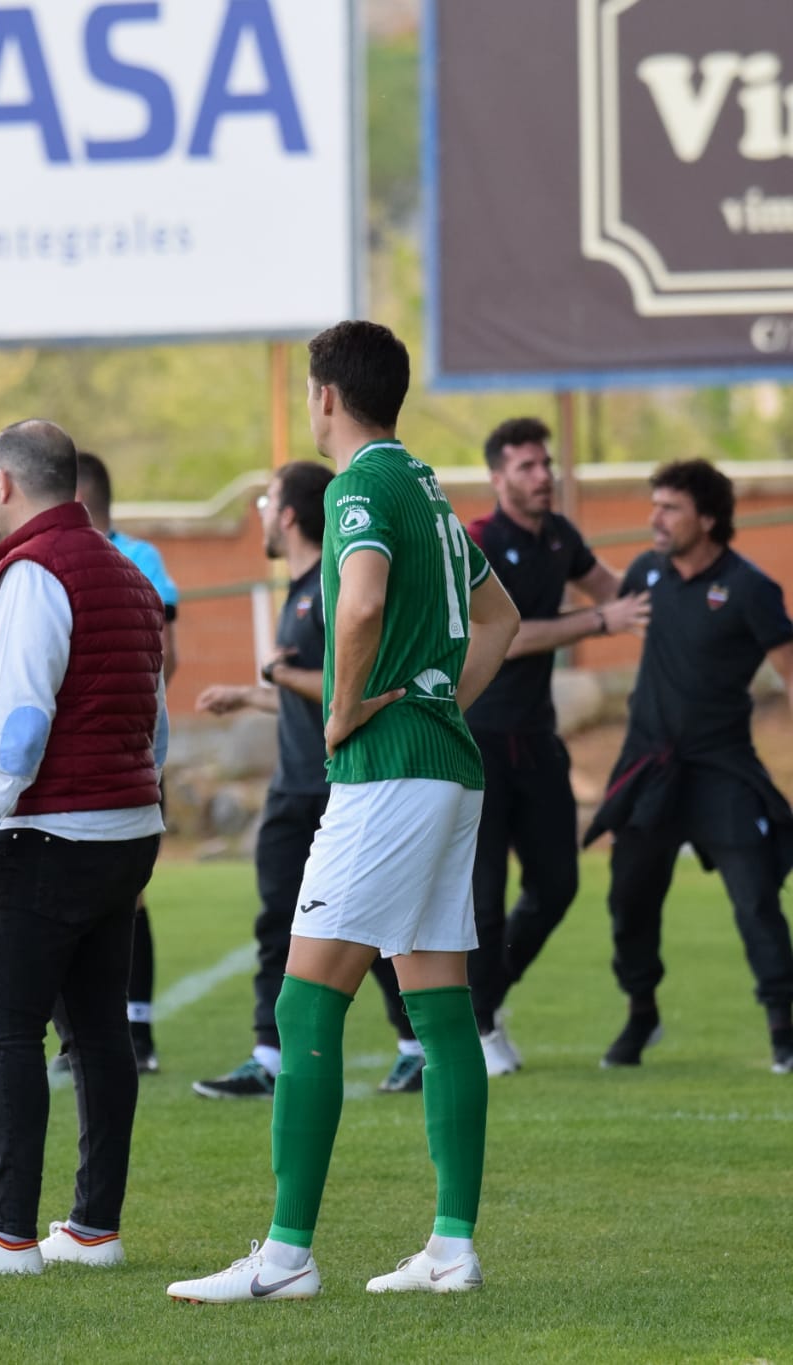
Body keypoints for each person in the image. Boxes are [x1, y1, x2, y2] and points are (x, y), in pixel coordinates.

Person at [166, 320, 520, 1304]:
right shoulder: (432, 493)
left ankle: (284, 1257)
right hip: (447, 767)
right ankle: (449, 1247)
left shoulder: (359, 485)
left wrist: (342, 708)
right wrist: (442, 696)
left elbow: (357, 606)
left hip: (388, 776)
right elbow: (501, 621)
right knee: (440, 1008)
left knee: (303, 999)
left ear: (324, 396)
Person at [0, 420, 165, 1280]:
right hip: (127, 827)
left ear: (6, 484)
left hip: (48, 832)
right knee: (98, 1029)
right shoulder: (127, 573)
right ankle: (95, 1226)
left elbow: (19, 727)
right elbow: (153, 721)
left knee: (6, 1027)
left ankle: (8, 1233)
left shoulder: (33, 572)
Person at [190, 462, 428, 1100]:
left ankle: (416, 1046)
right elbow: (310, 697)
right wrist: (251, 693)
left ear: (288, 514)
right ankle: (268, 1056)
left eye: (266, 500)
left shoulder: (330, 588)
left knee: (365, 926)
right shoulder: (301, 587)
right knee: (279, 924)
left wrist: (275, 677)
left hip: (332, 787)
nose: (261, 513)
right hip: (295, 786)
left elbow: (351, 691)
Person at [584, 459, 793, 1075]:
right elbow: (601, 598)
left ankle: (784, 1027)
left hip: (722, 768)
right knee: (629, 898)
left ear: (707, 518)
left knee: (756, 897)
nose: (654, 519)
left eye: (669, 508)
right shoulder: (648, 572)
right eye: (653, 505)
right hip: (650, 768)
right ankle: (642, 1012)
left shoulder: (751, 589)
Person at [463, 418, 649, 1076]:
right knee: (482, 898)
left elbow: (619, 592)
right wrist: (600, 622)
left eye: (545, 464)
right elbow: (506, 634)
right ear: (498, 478)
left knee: (558, 883)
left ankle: (484, 1003)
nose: (542, 476)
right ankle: (478, 1026)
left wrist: (676, 576)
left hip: (537, 740)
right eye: (526, 467)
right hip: (477, 738)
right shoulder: (478, 541)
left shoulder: (561, 538)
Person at [73, 453, 176, 1072]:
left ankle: (136, 1030)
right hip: (65, 769)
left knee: (126, 893)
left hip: (125, 754)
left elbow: (169, 657)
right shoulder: (44, 559)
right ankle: (84, 1032)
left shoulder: (139, 558)